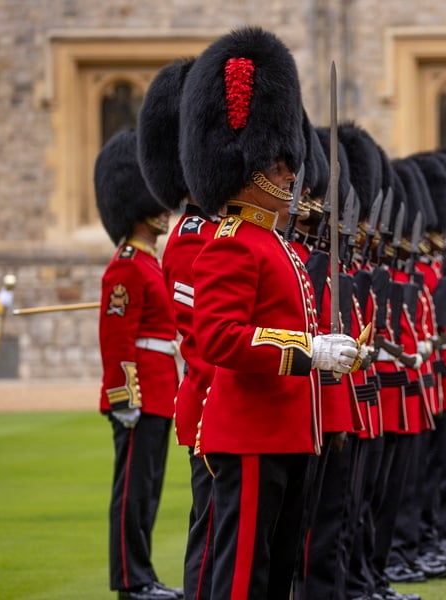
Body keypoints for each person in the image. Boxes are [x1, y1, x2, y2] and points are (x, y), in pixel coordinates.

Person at [179, 27, 360, 600]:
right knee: (242, 577)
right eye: (279, 167)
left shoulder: (275, 244)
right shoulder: (232, 243)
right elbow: (219, 338)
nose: (288, 176)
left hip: (288, 431)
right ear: (248, 170)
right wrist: (310, 351)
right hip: (250, 434)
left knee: (276, 574)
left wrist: (327, 348)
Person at [137, 56, 219, 600]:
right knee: (212, 536)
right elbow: (203, 337)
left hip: (229, 406)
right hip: (212, 405)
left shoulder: (219, 232)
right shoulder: (191, 237)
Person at [94, 129, 182, 600]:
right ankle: (132, 581)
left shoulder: (148, 263)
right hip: (140, 395)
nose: (166, 209)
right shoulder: (127, 265)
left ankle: (143, 575)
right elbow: (117, 340)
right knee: (132, 492)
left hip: (160, 391)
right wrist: (123, 395)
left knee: (147, 492)